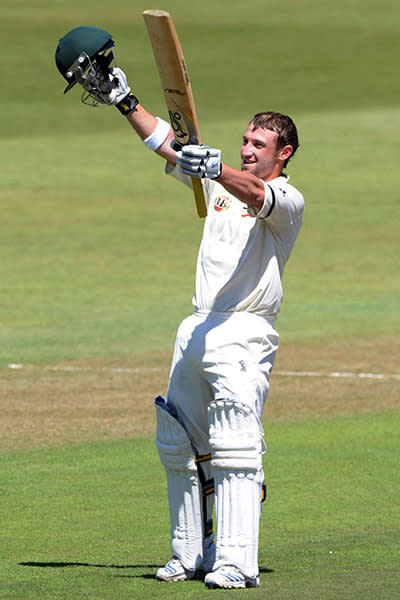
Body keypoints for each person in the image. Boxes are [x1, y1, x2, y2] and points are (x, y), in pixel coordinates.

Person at [55, 26, 305, 590]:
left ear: (282, 154)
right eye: (244, 140)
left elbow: (253, 193)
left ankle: (237, 562)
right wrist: (125, 101)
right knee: (178, 443)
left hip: (245, 331)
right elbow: (169, 144)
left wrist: (216, 166)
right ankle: (189, 554)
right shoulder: (219, 182)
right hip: (197, 327)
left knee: (236, 445)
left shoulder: (286, 200)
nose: (247, 149)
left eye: (258, 145)